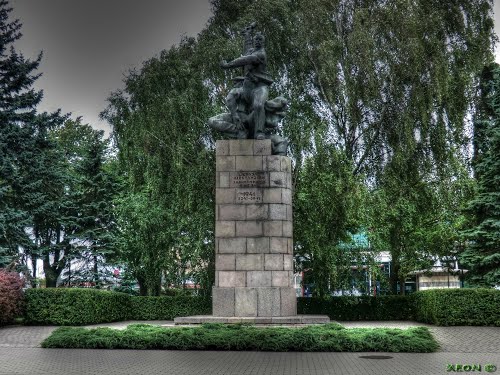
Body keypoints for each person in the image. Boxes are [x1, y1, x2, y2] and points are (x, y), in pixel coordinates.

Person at [221, 32, 273, 140]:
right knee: (233, 95)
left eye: (260, 40)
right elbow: (246, 50)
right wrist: (247, 35)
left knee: (258, 105)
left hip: (260, 87)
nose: (258, 42)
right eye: (256, 40)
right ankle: (239, 125)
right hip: (247, 86)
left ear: (263, 42)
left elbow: (245, 59)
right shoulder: (251, 50)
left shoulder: (261, 54)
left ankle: (259, 132)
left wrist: (228, 65)